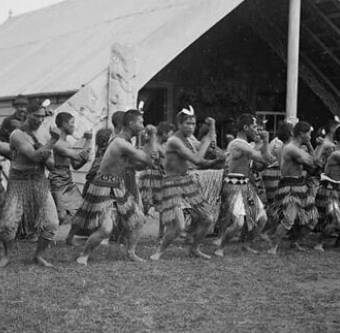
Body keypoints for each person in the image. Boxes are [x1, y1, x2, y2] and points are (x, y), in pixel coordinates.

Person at [70, 109, 155, 266]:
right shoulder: (120, 143)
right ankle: (84, 255)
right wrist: (153, 137)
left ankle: (130, 252)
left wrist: (147, 144)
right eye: (140, 122)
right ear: (130, 123)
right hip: (102, 186)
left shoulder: (125, 142)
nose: (143, 125)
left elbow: (139, 165)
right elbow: (147, 159)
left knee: (139, 219)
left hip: (117, 185)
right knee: (106, 229)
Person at [0, 102, 59, 268]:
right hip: (19, 181)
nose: (39, 119)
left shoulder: (44, 133)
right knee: (8, 224)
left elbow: (51, 165)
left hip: (39, 180)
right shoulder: (17, 135)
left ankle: (38, 256)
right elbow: (34, 156)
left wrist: (46, 148)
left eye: (42, 116)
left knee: (52, 223)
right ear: (27, 115)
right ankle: (7, 255)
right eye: (36, 116)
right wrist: (52, 141)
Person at [149, 109, 216, 261]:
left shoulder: (188, 140)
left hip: (186, 180)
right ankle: (159, 251)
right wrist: (206, 141)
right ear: (179, 124)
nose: (191, 127)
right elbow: (198, 159)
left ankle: (194, 249)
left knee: (208, 218)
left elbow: (210, 146)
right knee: (178, 226)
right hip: (171, 182)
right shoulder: (174, 141)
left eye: (193, 124)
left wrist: (213, 126)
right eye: (188, 123)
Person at [213, 113, 272, 257]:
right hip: (234, 186)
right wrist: (265, 141)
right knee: (238, 223)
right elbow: (264, 158)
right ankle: (220, 248)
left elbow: (262, 163)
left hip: (245, 185)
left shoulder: (247, 145)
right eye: (253, 126)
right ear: (245, 127)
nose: (256, 130)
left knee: (262, 219)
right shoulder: (237, 144)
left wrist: (263, 144)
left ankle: (244, 244)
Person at [267, 121, 320, 255]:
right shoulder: (291, 149)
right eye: (309, 134)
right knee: (289, 219)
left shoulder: (298, 148)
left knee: (313, 219)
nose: (310, 136)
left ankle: (294, 242)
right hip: (289, 187)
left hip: (301, 186)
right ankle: (273, 246)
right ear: (302, 134)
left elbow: (314, 162)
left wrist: (308, 144)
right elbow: (314, 163)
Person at [50, 112, 92, 225]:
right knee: (61, 216)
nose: (74, 126)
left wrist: (85, 157)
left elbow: (76, 165)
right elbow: (77, 156)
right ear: (64, 124)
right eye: (72, 123)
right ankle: (45, 238)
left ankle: (70, 238)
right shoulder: (57, 143)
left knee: (80, 212)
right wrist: (88, 141)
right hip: (57, 181)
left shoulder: (67, 143)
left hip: (68, 179)